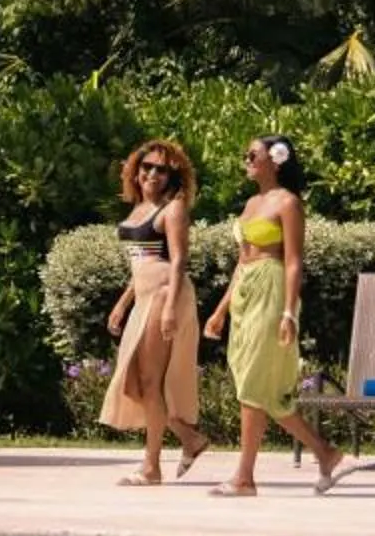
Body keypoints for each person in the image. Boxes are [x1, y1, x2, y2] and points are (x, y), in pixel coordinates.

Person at [201, 134, 350, 497]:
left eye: (253, 154)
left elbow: (294, 261)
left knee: (253, 383)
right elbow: (241, 262)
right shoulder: (251, 203)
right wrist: (219, 311)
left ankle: (244, 478)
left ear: (276, 159)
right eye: (246, 153)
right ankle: (325, 453)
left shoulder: (288, 203)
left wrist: (289, 311)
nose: (247, 159)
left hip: (272, 290)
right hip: (246, 292)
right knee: (259, 389)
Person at [102, 140, 210, 485]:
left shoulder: (172, 209)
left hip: (165, 296)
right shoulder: (136, 209)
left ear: (172, 175)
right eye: (146, 166)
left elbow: (177, 260)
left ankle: (151, 467)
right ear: (135, 170)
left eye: (161, 169)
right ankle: (190, 438)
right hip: (144, 296)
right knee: (134, 383)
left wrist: (169, 309)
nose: (152, 173)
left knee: (149, 380)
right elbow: (141, 265)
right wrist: (122, 303)